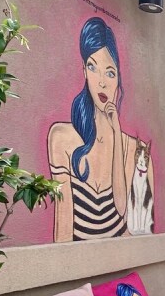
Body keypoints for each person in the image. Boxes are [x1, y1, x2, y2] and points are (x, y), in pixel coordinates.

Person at [48, 16, 154, 241]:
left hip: (122, 261)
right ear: (84, 72)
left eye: (110, 72)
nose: (102, 82)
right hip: (76, 263)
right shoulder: (61, 138)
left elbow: (132, 223)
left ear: (118, 80)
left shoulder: (137, 151)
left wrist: (116, 131)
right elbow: (62, 231)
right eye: (92, 67)